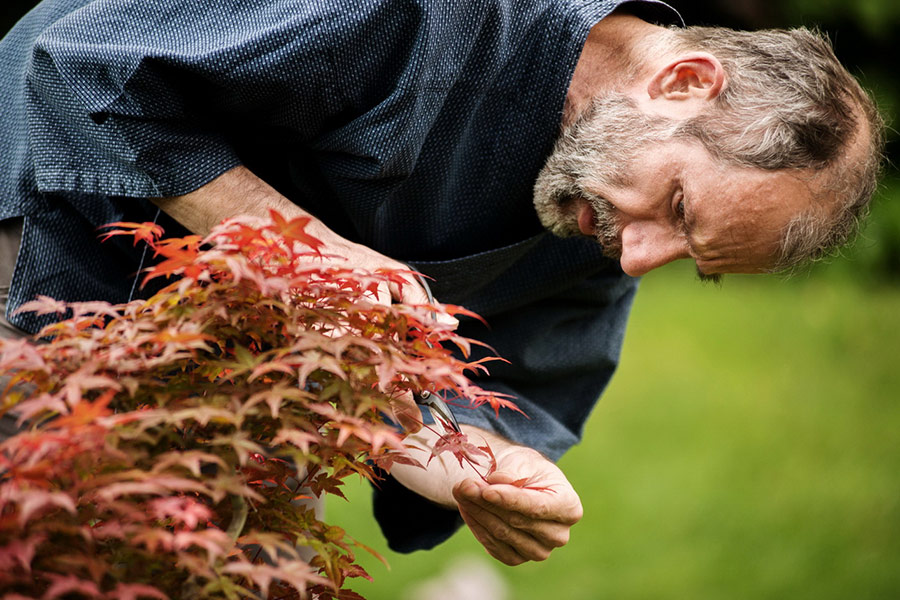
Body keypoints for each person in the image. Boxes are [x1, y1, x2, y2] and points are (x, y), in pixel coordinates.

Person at [0, 0, 884, 567]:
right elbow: (89, 67)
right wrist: (306, 249)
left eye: (695, 260)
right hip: (47, 221)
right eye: (680, 206)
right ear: (683, 81)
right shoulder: (439, 12)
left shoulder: (603, 203)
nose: (640, 260)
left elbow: (506, 388)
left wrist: (479, 467)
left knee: (166, 568)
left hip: (233, 377)